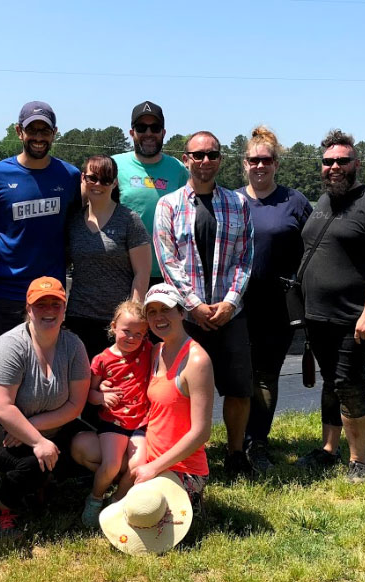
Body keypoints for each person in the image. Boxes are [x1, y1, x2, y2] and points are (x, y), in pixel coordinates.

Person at [295, 130, 365, 483]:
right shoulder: (323, 203)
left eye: (342, 161)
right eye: (328, 162)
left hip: (352, 317)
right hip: (316, 316)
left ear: (356, 164)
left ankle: (358, 460)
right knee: (330, 382)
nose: (334, 167)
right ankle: (328, 449)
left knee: (350, 382)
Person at [0, 277, 101, 538]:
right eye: (41, 304)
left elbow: (75, 405)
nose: (48, 310)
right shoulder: (10, 346)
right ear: (28, 309)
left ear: (64, 308)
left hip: (41, 424)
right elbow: (1, 406)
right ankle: (0, 511)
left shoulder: (73, 346)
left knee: (97, 449)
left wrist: (32, 430)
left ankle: (42, 483)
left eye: (55, 304)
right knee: (32, 462)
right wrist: (38, 442)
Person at [154, 131, 255, 477]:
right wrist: (194, 305)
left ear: (220, 159)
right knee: (181, 390)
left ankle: (236, 453)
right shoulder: (168, 205)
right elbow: (168, 262)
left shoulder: (238, 204)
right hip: (188, 317)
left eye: (212, 154)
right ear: (186, 160)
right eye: (198, 155)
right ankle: (182, 456)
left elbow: (246, 259)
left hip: (230, 313)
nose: (205, 161)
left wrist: (229, 303)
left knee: (239, 387)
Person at [0, 101, 82, 372]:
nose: (38, 137)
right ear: (18, 131)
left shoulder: (69, 176)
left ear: (54, 133)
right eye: (31, 129)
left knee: (45, 370)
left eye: (44, 131)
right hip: (3, 291)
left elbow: (74, 229)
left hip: (49, 294)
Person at [235, 126, 312, 473]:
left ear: (276, 164)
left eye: (266, 160)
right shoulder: (232, 200)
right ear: (244, 164)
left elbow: (312, 250)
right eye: (253, 160)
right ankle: (234, 445)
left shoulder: (294, 203)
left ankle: (257, 443)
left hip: (277, 306)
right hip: (235, 304)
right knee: (237, 376)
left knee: (265, 376)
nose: (259, 166)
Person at [133, 284, 213, 514]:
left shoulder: (197, 361)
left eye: (165, 309)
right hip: (150, 458)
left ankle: (192, 499)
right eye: (152, 312)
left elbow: (201, 432)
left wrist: (154, 468)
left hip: (183, 467)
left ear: (181, 313)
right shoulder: (156, 350)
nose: (159, 317)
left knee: (148, 514)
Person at [66, 154, 150, 359]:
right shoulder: (73, 220)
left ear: (114, 183)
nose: (98, 184)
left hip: (117, 324)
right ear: (83, 179)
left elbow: (142, 273)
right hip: (78, 318)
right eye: (92, 178)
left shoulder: (129, 220)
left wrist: (132, 317)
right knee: (81, 386)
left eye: (105, 179)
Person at [81, 300, 152, 526]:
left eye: (139, 334)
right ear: (113, 327)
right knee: (111, 465)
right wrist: (100, 396)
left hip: (141, 423)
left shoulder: (148, 350)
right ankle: (95, 498)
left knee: (138, 465)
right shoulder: (102, 360)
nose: (132, 338)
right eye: (126, 331)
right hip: (114, 422)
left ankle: (118, 501)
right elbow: (88, 393)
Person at [113, 101, 188, 286]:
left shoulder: (178, 169)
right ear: (132, 133)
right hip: (122, 271)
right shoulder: (114, 165)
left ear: (163, 133)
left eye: (154, 128)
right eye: (141, 127)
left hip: (167, 272)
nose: (148, 133)